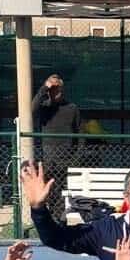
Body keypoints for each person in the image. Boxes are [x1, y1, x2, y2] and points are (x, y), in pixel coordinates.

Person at [33, 74, 80, 219]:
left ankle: (58, 219)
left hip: (65, 157)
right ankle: (47, 218)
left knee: (60, 190)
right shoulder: (44, 108)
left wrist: (75, 157)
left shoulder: (72, 108)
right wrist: (45, 87)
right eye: (53, 89)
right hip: (47, 158)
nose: (56, 91)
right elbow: (32, 107)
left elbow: (79, 133)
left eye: (58, 88)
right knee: (46, 190)